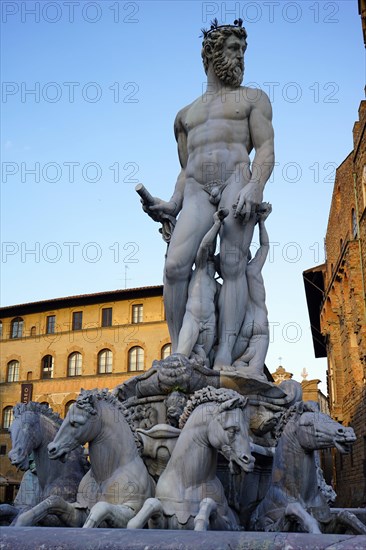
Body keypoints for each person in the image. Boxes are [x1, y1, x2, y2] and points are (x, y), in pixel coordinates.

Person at [141, 19, 274, 370]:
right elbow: (186, 170)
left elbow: (265, 149)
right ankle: (181, 353)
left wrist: (255, 186)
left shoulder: (253, 99)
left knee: (232, 263)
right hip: (199, 190)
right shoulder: (185, 115)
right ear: (212, 54)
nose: (241, 56)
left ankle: (225, 355)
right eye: (234, 48)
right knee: (174, 267)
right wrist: (171, 203)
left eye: (244, 50)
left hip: (236, 178)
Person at [176, 208, 228, 365]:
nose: (211, 262)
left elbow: (222, 309)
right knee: (181, 356)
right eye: (210, 260)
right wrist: (216, 224)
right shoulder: (199, 270)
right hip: (193, 318)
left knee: (204, 362)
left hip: (210, 322)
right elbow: (204, 247)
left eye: (214, 262)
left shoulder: (217, 286)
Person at [232, 202, 272, 378]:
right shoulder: (253, 268)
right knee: (256, 371)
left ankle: (237, 365)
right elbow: (264, 246)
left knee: (229, 363)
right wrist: (261, 222)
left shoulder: (231, 275)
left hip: (243, 326)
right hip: (260, 323)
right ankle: (244, 367)